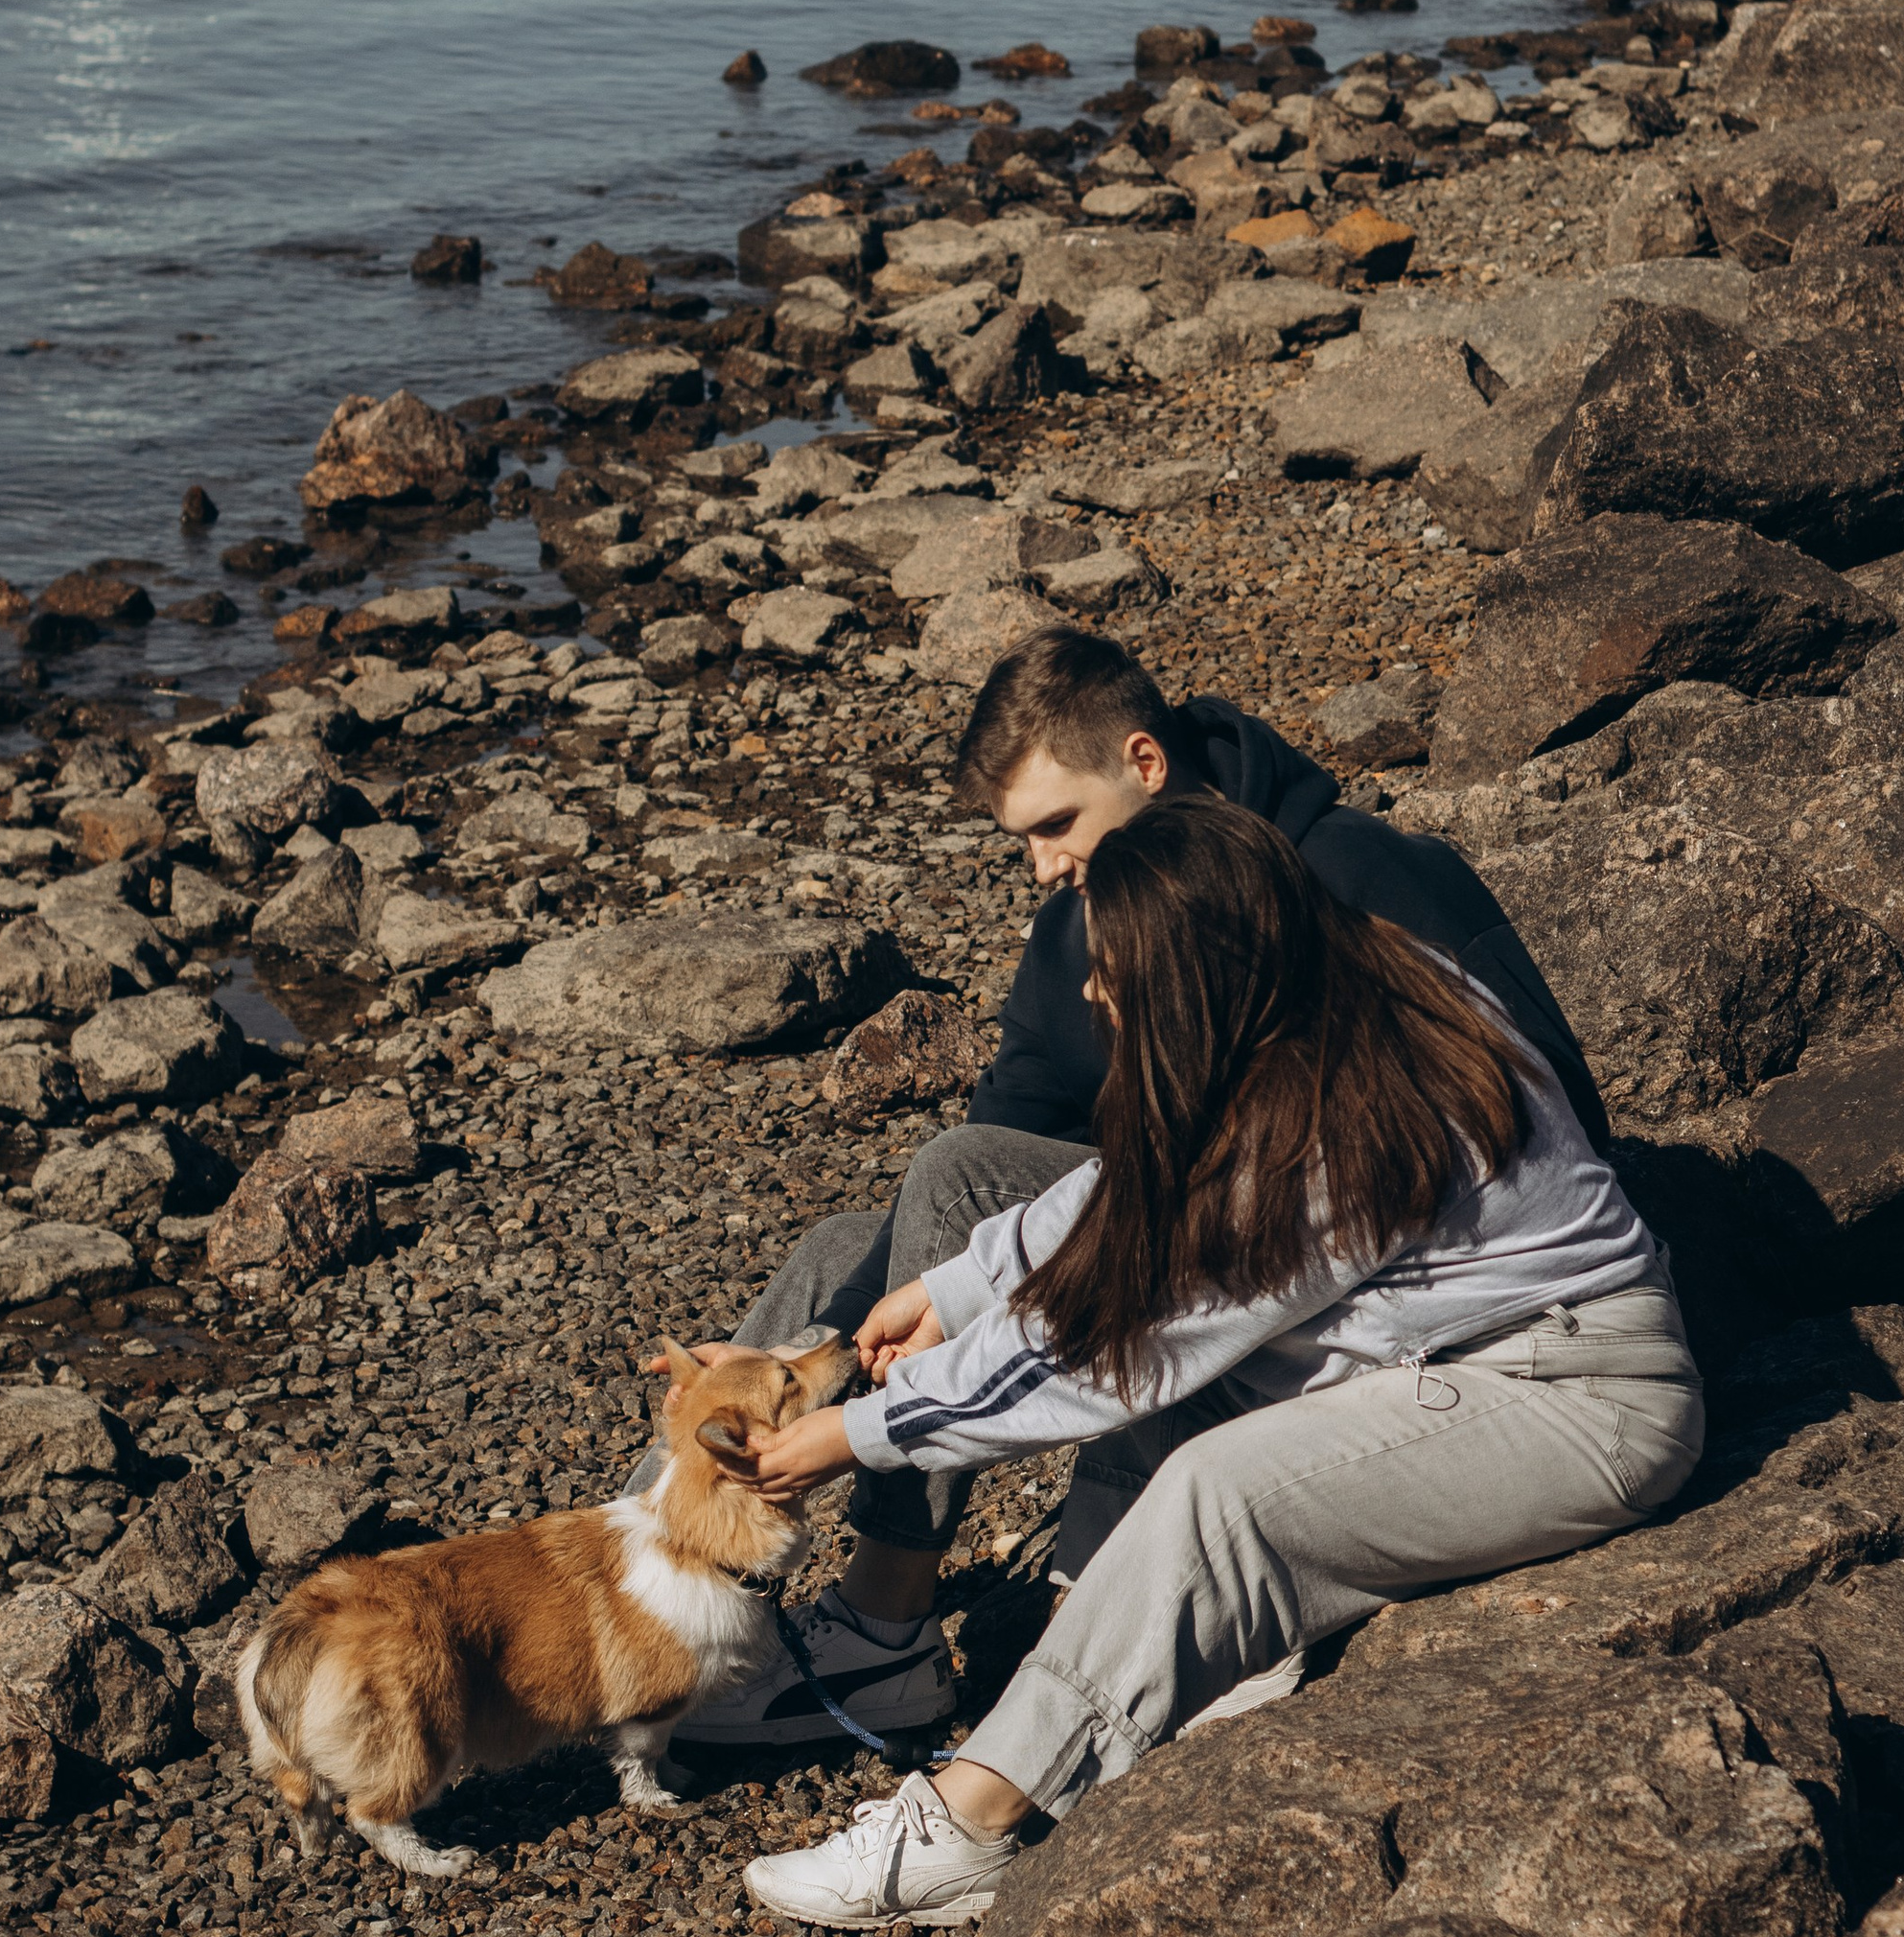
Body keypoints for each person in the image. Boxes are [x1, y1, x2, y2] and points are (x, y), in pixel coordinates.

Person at [731, 792, 1702, 1931]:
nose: (1092, 993)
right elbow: (1145, 1179)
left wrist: (857, 1434)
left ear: (1196, 977)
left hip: (1576, 1396)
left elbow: (1110, 1348)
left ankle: (968, 1827)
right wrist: (959, 1289)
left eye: (1112, 971)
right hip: (1469, 1348)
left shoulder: (1339, 1131)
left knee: (1216, 1489)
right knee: (1199, 1417)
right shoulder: (1341, 987)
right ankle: (1156, 1679)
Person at [645, 625, 1602, 1762]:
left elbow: (1529, 1105)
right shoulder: (1080, 921)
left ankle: (881, 1621)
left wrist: (854, 1421)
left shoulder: (1350, 870)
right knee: (841, 1245)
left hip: (1341, 1241)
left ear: (1144, 763)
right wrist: (818, 1352)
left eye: (1055, 824)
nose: (1043, 867)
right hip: (1191, 1199)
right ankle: (648, 1585)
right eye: (1023, 839)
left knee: (950, 1180)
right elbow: (1015, 1133)